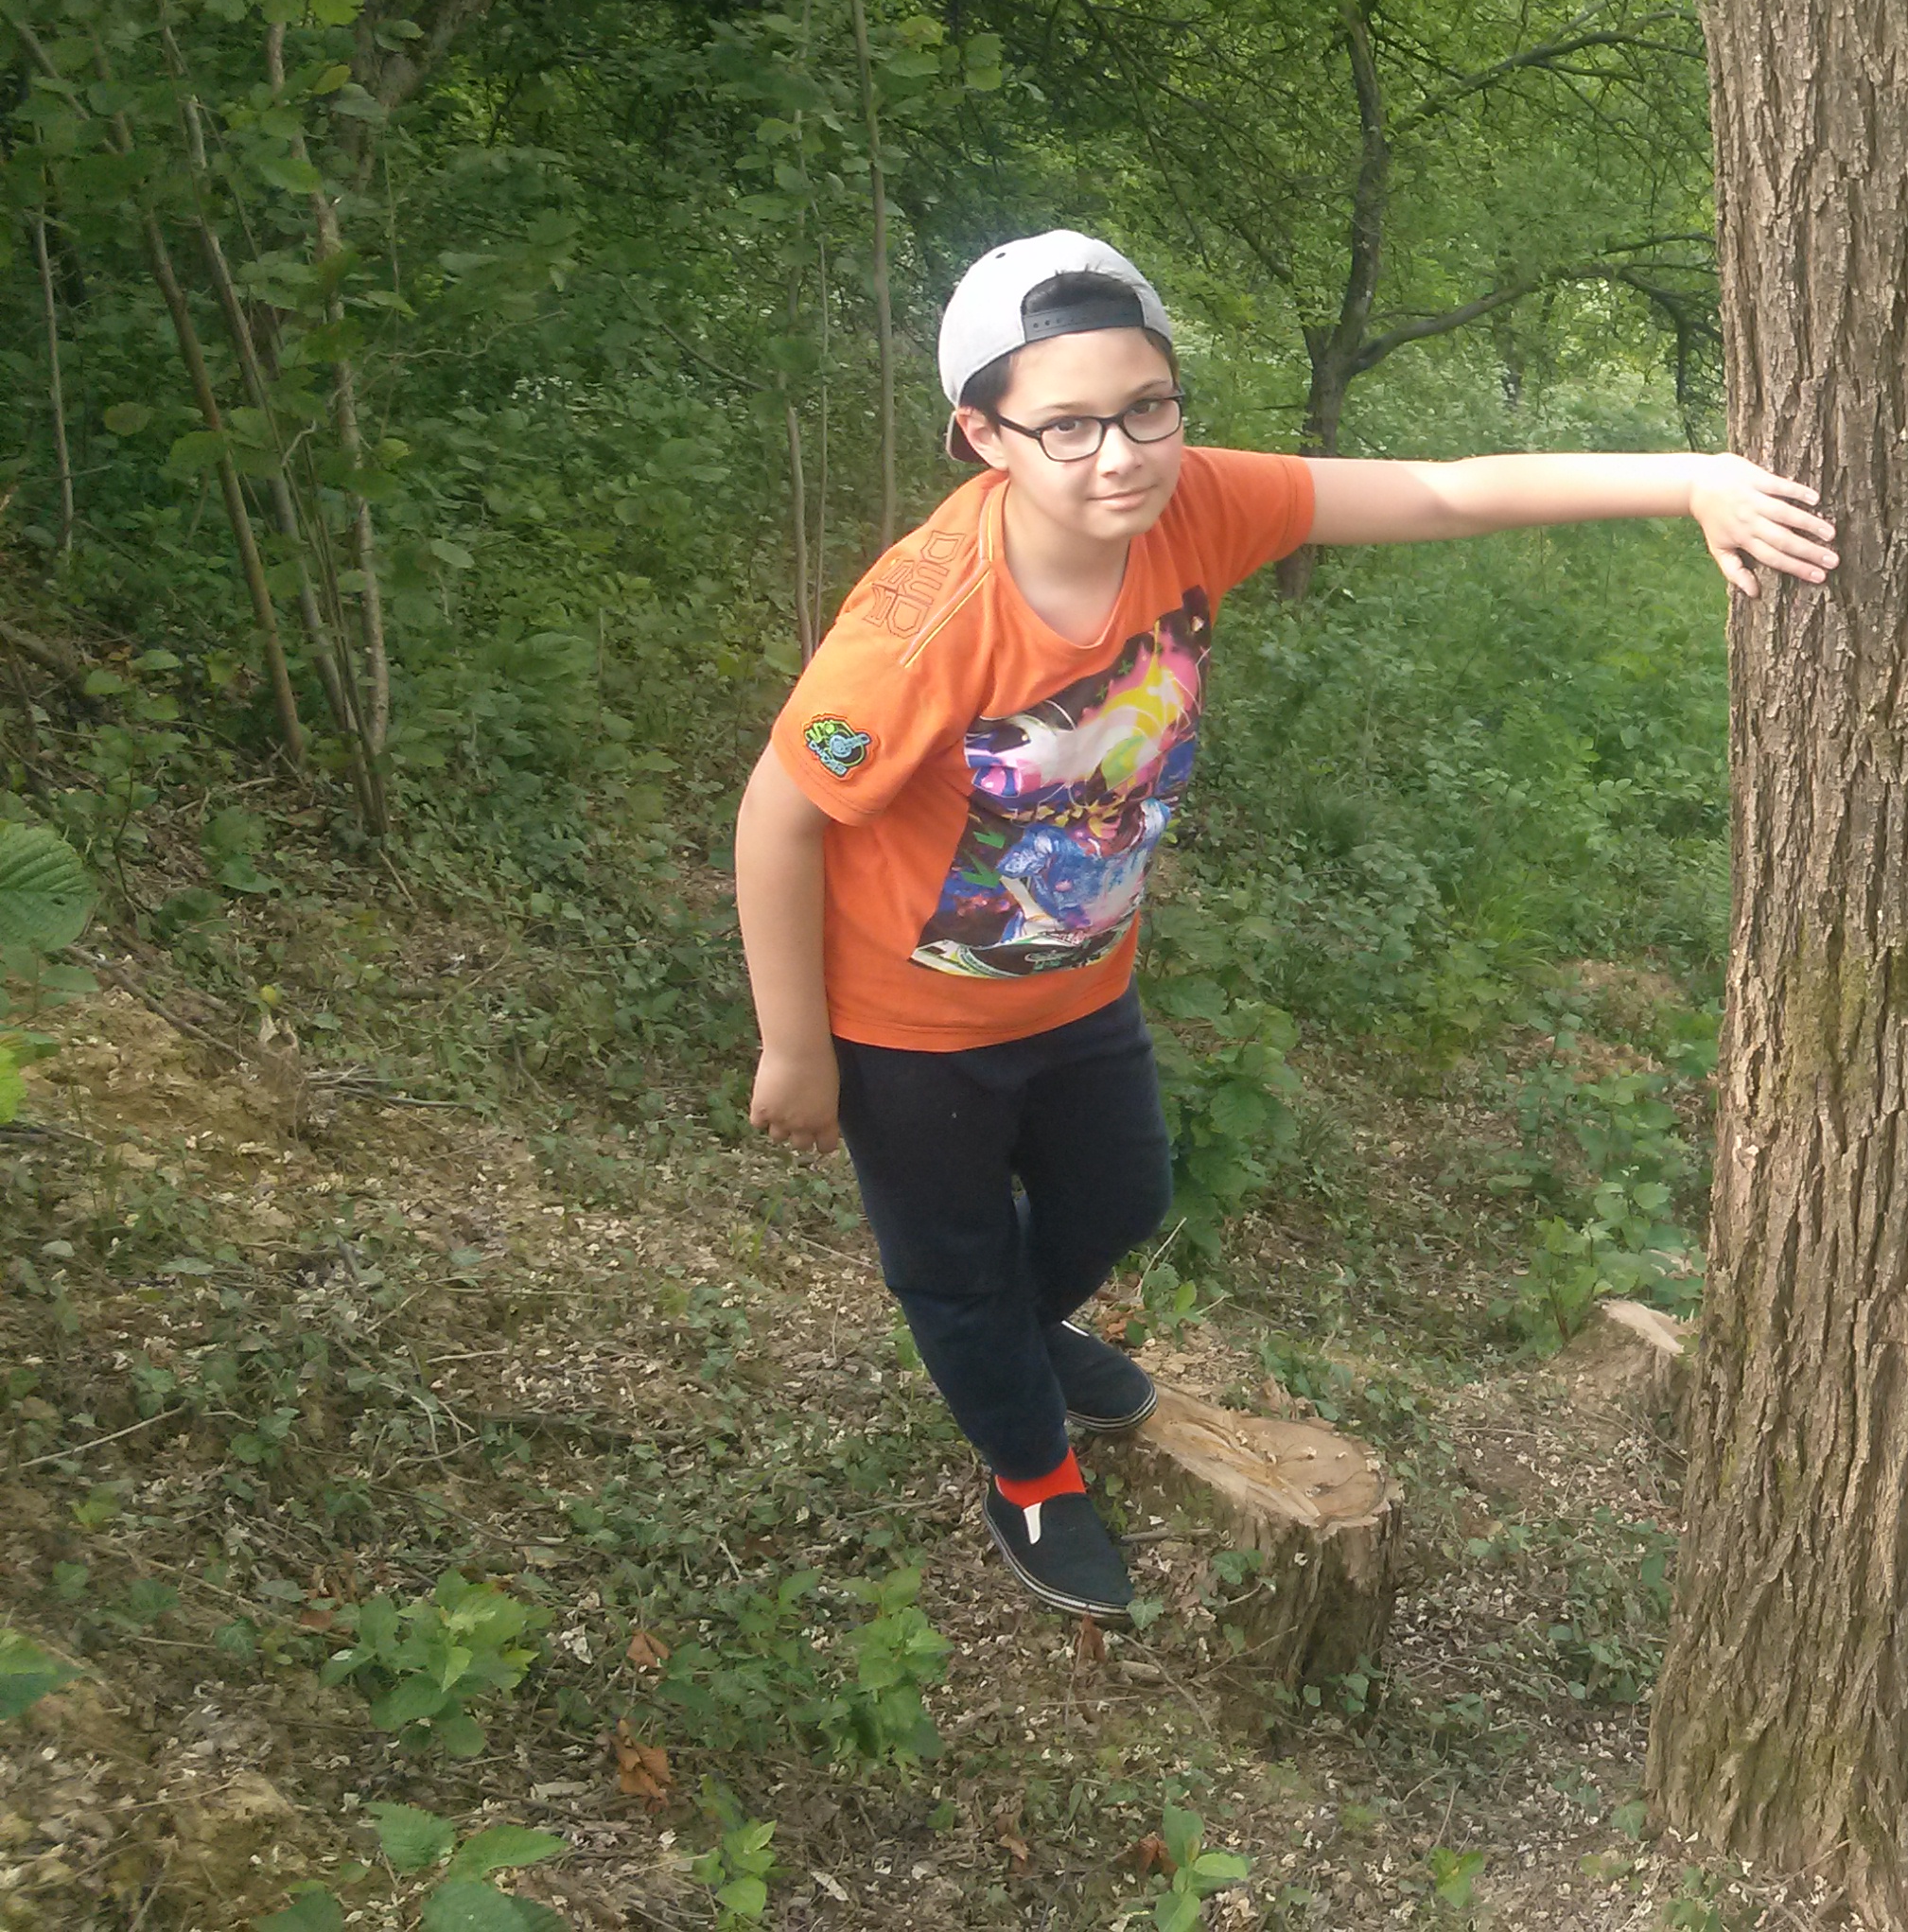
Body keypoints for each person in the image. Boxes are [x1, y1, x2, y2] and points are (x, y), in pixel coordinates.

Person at [733, 231, 1834, 1624]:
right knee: (950, 1273)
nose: (1120, 455)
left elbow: (1437, 489)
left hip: (1080, 988)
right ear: (983, 436)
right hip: (908, 1028)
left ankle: (1019, 1338)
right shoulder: (920, 627)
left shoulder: (1191, 502)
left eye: (1147, 406)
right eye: (1066, 425)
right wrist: (797, 1049)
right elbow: (778, 816)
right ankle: (1028, 1466)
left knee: (1122, 1195)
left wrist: (1691, 479)